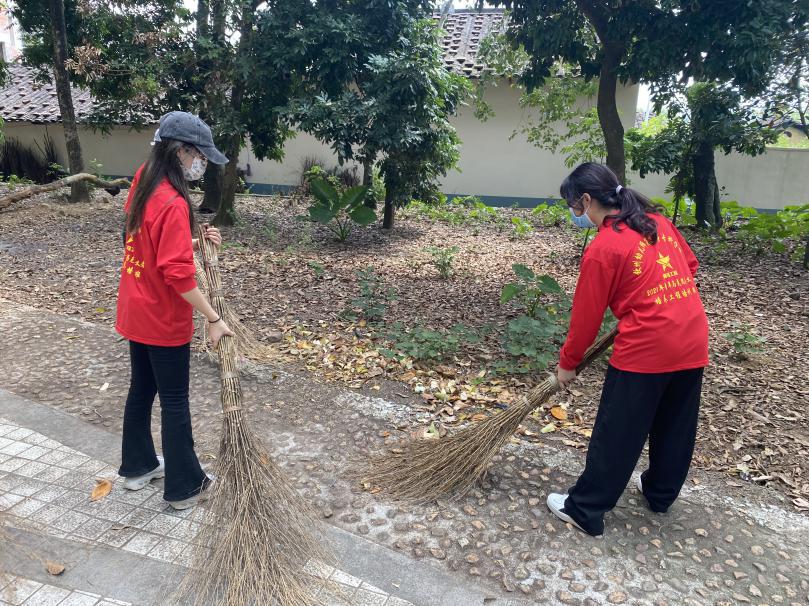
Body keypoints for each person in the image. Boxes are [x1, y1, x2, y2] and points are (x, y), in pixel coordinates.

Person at [546, 162, 709, 537]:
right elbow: (690, 266)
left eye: (573, 206)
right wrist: (653, 299)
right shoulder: (657, 222)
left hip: (647, 347)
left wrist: (568, 363)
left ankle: (584, 509)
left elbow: (586, 318)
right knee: (675, 423)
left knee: (618, 431)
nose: (574, 213)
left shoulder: (604, 247)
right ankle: (660, 495)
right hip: (692, 335)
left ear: (587, 201)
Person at [115, 111, 234, 510]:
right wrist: (214, 319)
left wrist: (191, 243)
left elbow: (145, 242)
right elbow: (179, 277)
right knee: (175, 401)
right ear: (180, 150)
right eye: (198, 155)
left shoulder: (144, 179)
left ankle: (138, 467)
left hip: (135, 307)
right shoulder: (172, 201)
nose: (201, 163)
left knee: (141, 390)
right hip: (162, 317)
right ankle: (185, 487)